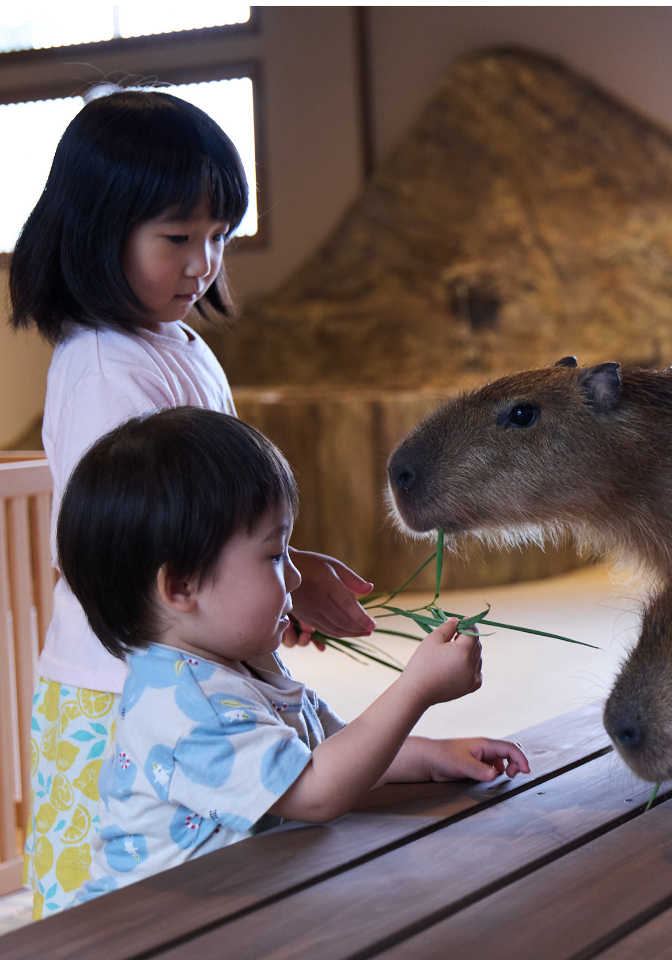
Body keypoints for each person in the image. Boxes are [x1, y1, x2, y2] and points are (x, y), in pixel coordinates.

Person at [7, 87, 377, 917]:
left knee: (224, 870)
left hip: (185, 656)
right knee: (115, 904)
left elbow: (208, 507)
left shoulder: (173, 342)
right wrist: (271, 576)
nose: (202, 263)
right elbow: (141, 541)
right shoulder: (106, 367)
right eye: (178, 238)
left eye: (219, 237)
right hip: (123, 679)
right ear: (99, 229)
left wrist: (282, 567)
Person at [55, 408, 529, 903]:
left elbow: (330, 750)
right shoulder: (189, 704)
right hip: (147, 930)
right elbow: (316, 788)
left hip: (234, 907)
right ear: (181, 585)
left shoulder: (236, 662)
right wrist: (416, 689)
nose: (296, 578)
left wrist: (433, 755)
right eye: (275, 555)